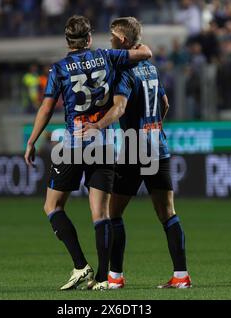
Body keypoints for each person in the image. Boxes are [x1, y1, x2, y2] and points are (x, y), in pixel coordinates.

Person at [24, 15, 152, 291]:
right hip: (104, 143)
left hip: (74, 145)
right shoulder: (106, 56)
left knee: (52, 206)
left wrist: (32, 140)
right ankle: (104, 277)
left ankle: (81, 266)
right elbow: (146, 52)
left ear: (67, 40)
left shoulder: (59, 69)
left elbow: (46, 108)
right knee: (101, 213)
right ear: (89, 38)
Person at [79, 17, 191, 289]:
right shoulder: (151, 69)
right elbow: (165, 103)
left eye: (113, 36)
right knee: (168, 214)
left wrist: (97, 125)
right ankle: (181, 276)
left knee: (113, 213)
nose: (110, 40)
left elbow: (119, 108)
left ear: (124, 41)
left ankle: (115, 277)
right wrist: (153, 127)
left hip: (134, 148)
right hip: (159, 147)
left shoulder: (125, 72)